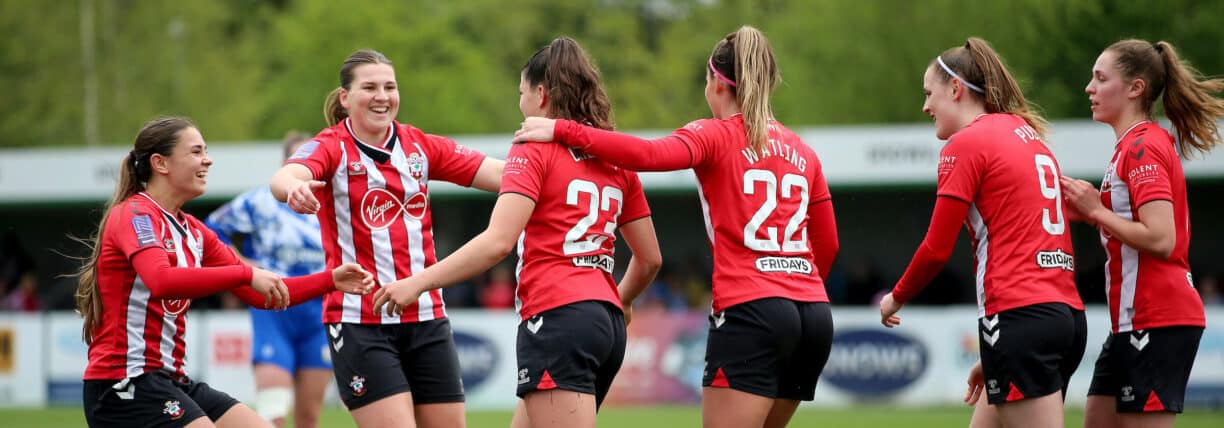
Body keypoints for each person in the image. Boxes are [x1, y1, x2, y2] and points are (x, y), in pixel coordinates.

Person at [514, 26, 838, 428]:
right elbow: (828, 243)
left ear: (718, 84)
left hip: (752, 309)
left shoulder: (713, 134)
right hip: (813, 317)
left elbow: (648, 155)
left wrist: (563, 129)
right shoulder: (803, 151)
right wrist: (796, 290)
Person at [373, 37, 662, 428]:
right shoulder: (614, 158)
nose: (521, 103)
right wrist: (619, 301)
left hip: (558, 318)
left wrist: (418, 283)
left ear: (540, 95)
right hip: (604, 324)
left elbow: (498, 243)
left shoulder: (533, 147)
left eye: (522, 93)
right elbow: (649, 259)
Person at [73, 117, 374, 428]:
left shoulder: (194, 231)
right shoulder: (134, 214)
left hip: (170, 381)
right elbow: (161, 281)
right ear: (160, 163)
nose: (208, 159)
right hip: (123, 383)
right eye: (196, 151)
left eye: (206, 151)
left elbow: (265, 296)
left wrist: (332, 280)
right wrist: (244, 273)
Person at [269, 49, 504, 428]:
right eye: (370, 87)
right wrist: (292, 189)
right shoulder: (331, 146)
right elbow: (287, 174)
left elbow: (498, 173)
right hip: (359, 322)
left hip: (428, 318)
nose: (382, 96)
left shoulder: (419, 145)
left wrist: (550, 170)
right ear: (345, 98)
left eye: (390, 87)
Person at [877, 38, 1086, 428]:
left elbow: (936, 249)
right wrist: (994, 354)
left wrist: (895, 298)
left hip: (1019, 315)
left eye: (929, 94)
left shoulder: (966, 144)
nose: (925, 106)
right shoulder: (1025, 133)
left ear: (956, 89)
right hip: (1063, 316)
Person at [1061, 39, 1220, 428]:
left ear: (1135, 88)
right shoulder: (1128, 146)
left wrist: (1096, 210)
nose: (1089, 88)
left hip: (1158, 316)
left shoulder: (1142, 147)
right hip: (1131, 322)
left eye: (1101, 78)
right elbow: (1126, 222)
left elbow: (1161, 239)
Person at [204, 131, 331, 428]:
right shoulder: (260, 202)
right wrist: (240, 264)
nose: (307, 165)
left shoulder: (333, 202)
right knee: (272, 414)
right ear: (286, 163)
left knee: (308, 417)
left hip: (320, 313)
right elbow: (212, 230)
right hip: (273, 308)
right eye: (299, 158)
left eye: (313, 159)